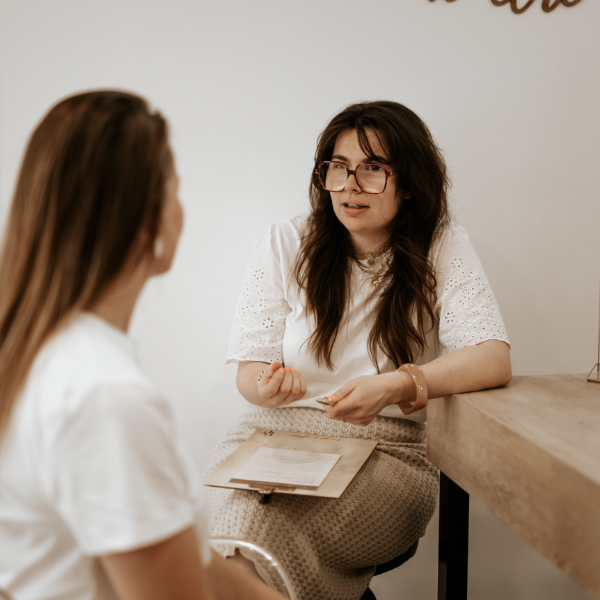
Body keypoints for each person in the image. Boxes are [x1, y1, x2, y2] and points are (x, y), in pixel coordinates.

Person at [207, 100, 512, 600]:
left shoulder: (441, 244)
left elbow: (492, 356)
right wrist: (267, 386)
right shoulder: (286, 241)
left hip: (389, 451)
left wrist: (397, 384)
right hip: (272, 440)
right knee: (241, 537)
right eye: (338, 167)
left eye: (372, 169)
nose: (350, 185)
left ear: (408, 182)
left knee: (256, 549)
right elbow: (250, 372)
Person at [0, 91, 286, 600]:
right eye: (175, 190)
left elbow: (194, 563)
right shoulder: (103, 396)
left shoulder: (41, 355)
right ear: (146, 219)